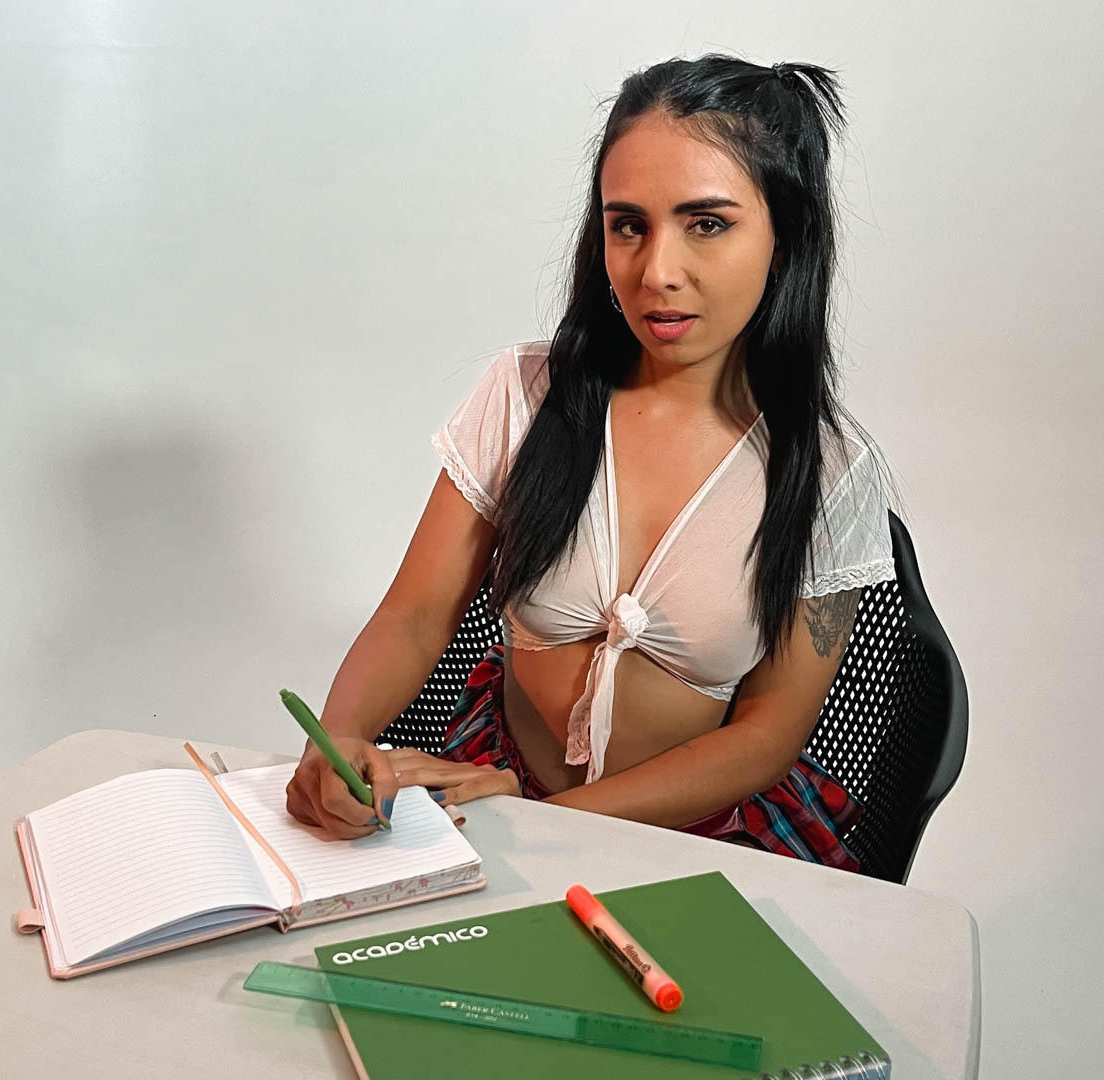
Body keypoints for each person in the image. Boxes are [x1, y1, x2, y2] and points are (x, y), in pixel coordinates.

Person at [284, 54, 895, 871]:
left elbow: (767, 736)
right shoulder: (527, 397)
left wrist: (548, 822)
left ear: (785, 237)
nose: (658, 273)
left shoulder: (829, 471)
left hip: (699, 833)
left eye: (707, 224)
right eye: (628, 225)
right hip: (498, 788)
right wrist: (340, 740)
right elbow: (416, 614)